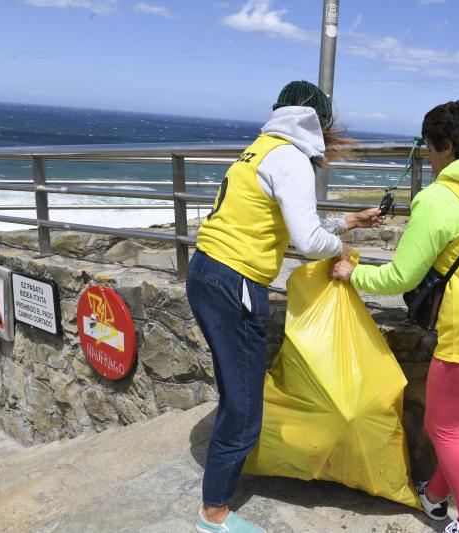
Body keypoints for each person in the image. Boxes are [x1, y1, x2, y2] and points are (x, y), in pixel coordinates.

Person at [330, 101, 459, 533]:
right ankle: (436, 498)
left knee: (441, 428)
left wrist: (352, 271)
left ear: (442, 146)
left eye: (428, 147)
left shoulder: (441, 197)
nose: (426, 156)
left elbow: (401, 275)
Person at [189, 80, 382, 533]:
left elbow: (285, 221)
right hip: (234, 281)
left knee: (235, 392)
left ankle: (219, 490)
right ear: (317, 122)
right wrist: (340, 250)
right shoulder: (292, 158)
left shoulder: (259, 148)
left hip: (205, 271)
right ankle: (213, 514)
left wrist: (347, 221)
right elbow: (309, 240)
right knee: (244, 408)